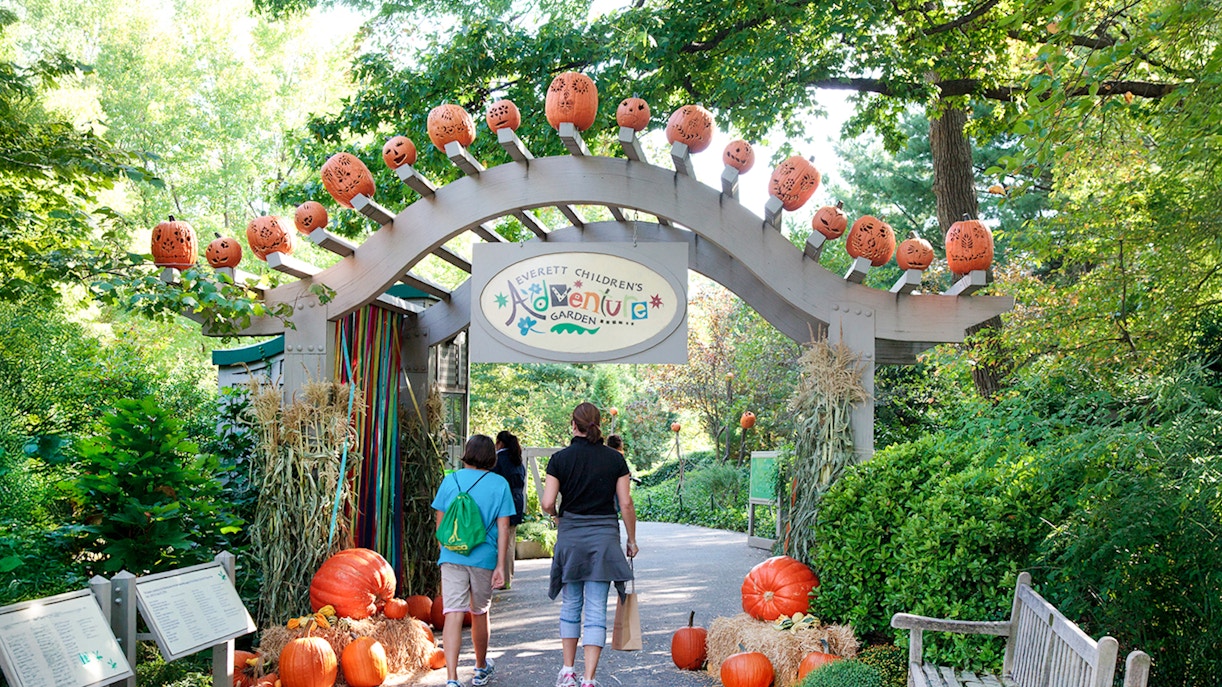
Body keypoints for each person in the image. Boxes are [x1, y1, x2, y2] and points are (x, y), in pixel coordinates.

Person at [542, 403, 639, 687]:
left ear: (573, 424)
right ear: (597, 424)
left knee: (571, 604)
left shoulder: (560, 459)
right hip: (604, 538)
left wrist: (556, 516)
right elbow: (625, 503)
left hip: (571, 536)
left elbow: (547, 502)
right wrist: (631, 540)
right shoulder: (615, 460)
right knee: (596, 609)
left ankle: (568, 671)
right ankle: (588, 679)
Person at [431, 434, 516, 687]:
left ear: (466, 453)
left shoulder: (450, 480)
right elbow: (503, 527)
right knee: (479, 612)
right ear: (491, 456)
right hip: (484, 557)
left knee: (453, 613)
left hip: (452, 556)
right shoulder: (499, 484)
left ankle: (451, 678)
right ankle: (479, 669)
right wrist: (501, 565)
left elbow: (440, 524)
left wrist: (446, 551)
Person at [491, 430, 526, 589]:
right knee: (510, 540)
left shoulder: (497, 461)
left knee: (498, 540)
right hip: (517, 502)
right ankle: (507, 579)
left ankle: (498, 578)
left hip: (502, 503)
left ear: (499, 443)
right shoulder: (517, 460)